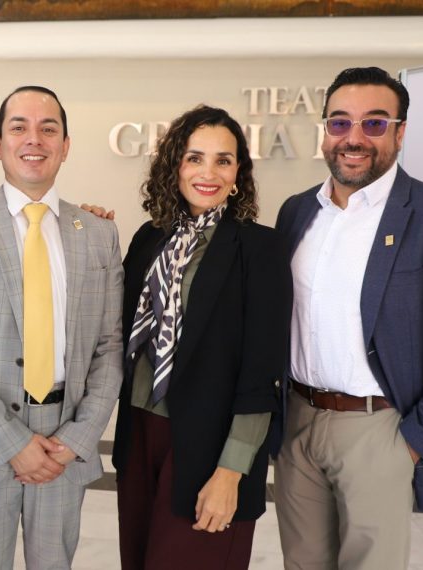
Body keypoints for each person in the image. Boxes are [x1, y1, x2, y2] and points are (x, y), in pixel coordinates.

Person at [273, 66, 423, 569]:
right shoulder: (296, 212)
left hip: (379, 429)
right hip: (298, 419)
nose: (354, 138)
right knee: (302, 562)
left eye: (374, 123)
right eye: (340, 122)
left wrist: (412, 444)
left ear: (400, 133)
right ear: (325, 131)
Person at [0, 86, 123, 569]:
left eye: (48, 128)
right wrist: (12, 443)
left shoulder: (98, 233)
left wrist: (77, 440)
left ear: (65, 146)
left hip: (64, 441)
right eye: (19, 127)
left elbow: (110, 347)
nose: (34, 139)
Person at [111, 105, 291, 569]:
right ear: (175, 166)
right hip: (140, 433)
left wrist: (231, 471)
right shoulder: (149, 239)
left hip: (211, 444)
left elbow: (262, 371)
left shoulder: (260, 248)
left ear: (238, 174)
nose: (208, 173)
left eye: (223, 160)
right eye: (194, 158)